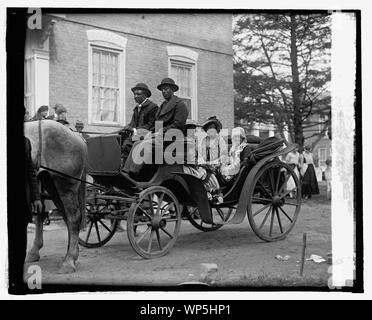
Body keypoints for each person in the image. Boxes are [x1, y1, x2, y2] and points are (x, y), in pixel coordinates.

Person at [123, 78, 188, 176]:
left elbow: (178, 125)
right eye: (162, 89)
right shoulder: (163, 105)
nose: (164, 91)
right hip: (160, 136)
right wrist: (151, 132)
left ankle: (133, 173)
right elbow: (157, 124)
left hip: (172, 138)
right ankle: (126, 171)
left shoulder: (180, 104)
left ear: (173, 90)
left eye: (167, 89)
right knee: (137, 143)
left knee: (146, 144)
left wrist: (160, 132)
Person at [11, 137, 43, 290]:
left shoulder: (25, 142)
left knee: (20, 237)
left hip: (21, 198)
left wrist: (36, 197)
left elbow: (30, 170)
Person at [120, 83, 158, 165]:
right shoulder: (136, 109)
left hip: (148, 135)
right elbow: (132, 123)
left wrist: (134, 130)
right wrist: (127, 128)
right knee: (118, 139)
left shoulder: (153, 107)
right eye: (134, 94)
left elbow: (151, 125)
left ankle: (126, 167)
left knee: (127, 143)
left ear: (145, 95)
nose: (135, 96)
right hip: (137, 134)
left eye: (138, 94)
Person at [197, 116, 228, 203]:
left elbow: (224, 154)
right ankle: (203, 193)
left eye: (213, 128)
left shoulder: (220, 140)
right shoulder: (203, 141)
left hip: (217, 165)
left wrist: (217, 163)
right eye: (209, 128)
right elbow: (200, 154)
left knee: (210, 173)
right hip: (205, 164)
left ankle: (216, 194)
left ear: (216, 130)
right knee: (199, 173)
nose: (211, 130)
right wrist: (202, 163)